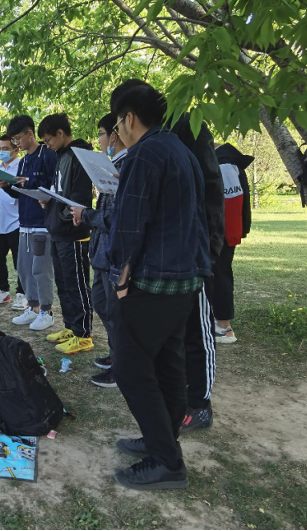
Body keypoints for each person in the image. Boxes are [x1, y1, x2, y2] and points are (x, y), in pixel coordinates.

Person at [107, 83, 211, 490]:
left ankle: (167, 462)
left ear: (129, 118)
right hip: (185, 277)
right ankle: (162, 441)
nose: (118, 132)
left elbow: (129, 223)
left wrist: (120, 277)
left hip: (153, 280)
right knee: (168, 366)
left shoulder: (145, 153)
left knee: (130, 369)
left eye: (117, 123)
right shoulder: (180, 150)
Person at [71, 113, 129, 388]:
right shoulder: (112, 166)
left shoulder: (126, 167)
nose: (99, 141)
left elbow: (117, 219)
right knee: (102, 305)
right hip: (101, 254)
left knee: (116, 314)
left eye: (101, 135)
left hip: (114, 256)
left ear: (114, 135)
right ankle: (116, 355)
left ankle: (122, 367)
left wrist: (86, 215)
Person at [37, 113, 95, 354]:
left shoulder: (80, 155)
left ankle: (83, 334)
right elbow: (61, 191)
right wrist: (48, 203)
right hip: (58, 230)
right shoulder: (61, 156)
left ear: (60, 133)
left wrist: (64, 216)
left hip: (73, 232)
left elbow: (80, 195)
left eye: (49, 140)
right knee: (63, 283)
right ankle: (71, 327)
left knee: (77, 283)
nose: (48, 145)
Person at [1, 115, 58, 331]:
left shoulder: (48, 155)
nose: (16, 144)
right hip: (23, 223)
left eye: (18, 138)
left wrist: (30, 181)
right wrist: (8, 186)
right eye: (13, 140)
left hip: (42, 223)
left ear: (30, 134)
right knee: (24, 269)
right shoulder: (23, 161)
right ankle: (33, 307)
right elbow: (20, 192)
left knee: (41, 269)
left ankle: (46, 311)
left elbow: (55, 186)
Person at [213, 143, 254, 344]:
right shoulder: (225, 163)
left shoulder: (224, 165)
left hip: (221, 234)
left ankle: (224, 327)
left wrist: (225, 235)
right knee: (216, 275)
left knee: (220, 275)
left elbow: (231, 203)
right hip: (222, 232)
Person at [0, 134, 26, 309]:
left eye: (5, 149)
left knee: (20, 262)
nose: (2, 152)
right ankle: (2, 290)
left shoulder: (22, 169)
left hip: (18, 223)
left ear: (16, 150)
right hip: (0, 224)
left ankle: (23, 293)